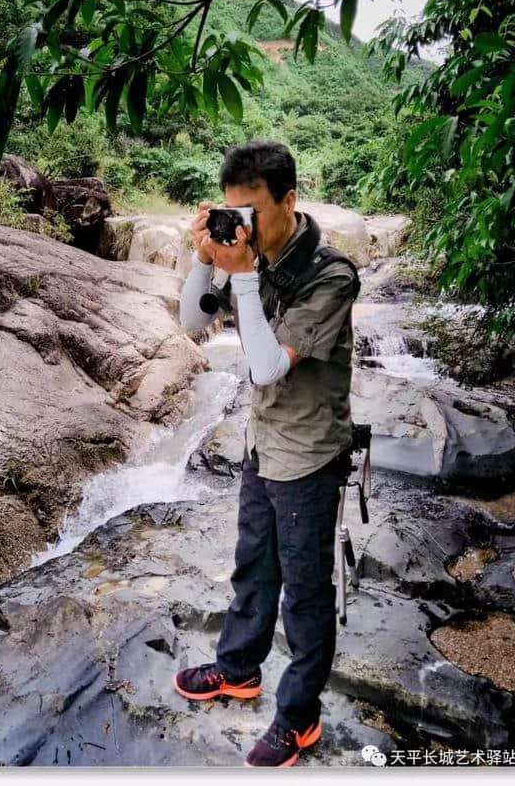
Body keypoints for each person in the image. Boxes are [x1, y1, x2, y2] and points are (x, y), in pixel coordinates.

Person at [173, 140, 359, 767]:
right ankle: (237, 669)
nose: (241, 225)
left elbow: (266, 365)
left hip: (309, 455)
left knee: (305, 594)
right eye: (232, 212)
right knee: (253, 568)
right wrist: (205, 260)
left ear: (289, 200)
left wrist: (245, 277)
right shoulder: (255, 257)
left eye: (251, 211)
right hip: (263, 445)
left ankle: (298, 718)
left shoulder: (331, 275)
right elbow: (191, 325)